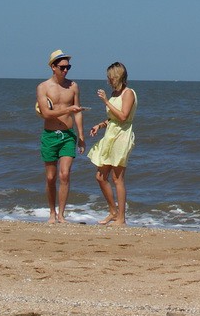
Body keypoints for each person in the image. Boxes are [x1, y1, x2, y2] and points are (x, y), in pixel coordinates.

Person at [37, 49, 86, 224]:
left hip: (67, 135)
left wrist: (81, 135)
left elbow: (78, 112)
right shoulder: (43, 87)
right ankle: (52, 212)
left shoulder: (73, 86)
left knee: (64, 174)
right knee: (51, 177)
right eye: (62, 67)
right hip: (50, 135)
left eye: (68, 67)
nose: (66, 70)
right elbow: (46, 113)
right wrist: (67, 110)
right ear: (53, 67)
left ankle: (61, 215)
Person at [88, 61, 137, 225]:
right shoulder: (114, 94)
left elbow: (123, 116)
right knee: (100, 176)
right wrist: (100, 125)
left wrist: (106, 101)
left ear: (116, 77)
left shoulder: (128, 93)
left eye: (109, 77)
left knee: (118, 178)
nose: (107, 80)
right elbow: (113, 118)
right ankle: (113, 211)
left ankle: (121, 218)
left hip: (122, 136)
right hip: (110, 135)